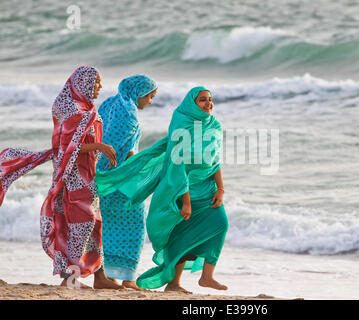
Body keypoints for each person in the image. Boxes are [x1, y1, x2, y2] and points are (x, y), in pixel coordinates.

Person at [0, 66, 123, 289]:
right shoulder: (72, 110)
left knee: (94, 224)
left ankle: (100, 277)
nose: (100, 87)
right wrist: (100, 146)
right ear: (84, 83)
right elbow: (65, 147)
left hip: (89, 177)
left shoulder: (88, 109)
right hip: (73, 178)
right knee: (80, 226)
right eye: (96, 82)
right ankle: (70, 279)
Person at [95, 87, 228, 293]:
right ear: (192, 104)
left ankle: (207, 276)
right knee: (181, 235)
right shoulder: (182, 125)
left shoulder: (214, 126)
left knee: (220, 224)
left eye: (210, 99)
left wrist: (220, 188)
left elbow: (215, 161)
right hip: (182, 189)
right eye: (202, 100)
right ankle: (174, 284)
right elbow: (177, 166)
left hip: (207, 187)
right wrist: (185, 201)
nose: (208, 103)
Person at [96, 75, 158, 291]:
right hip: (124, 180)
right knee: (135, 225)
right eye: (150, 96)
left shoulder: (110, 104)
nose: (150, 101)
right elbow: (130, 154)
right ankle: (128, 279)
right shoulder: (130, 114)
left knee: (108, 227)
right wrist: (150, 169)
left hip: (103, 177)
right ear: (140, 93)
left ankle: (108, 277)